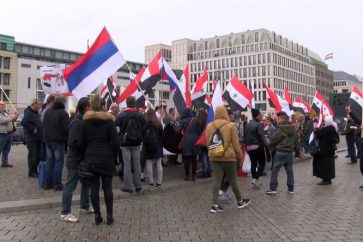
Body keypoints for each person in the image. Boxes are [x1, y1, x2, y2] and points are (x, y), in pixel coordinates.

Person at [79, 95, 120, 225]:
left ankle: (97, 215)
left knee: (94, 188)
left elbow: (81, 142)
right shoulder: (109, 122)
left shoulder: (85, 122)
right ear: (103, 106)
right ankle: (109, 216)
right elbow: (116, 142)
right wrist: (114, 156)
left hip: (91, 158)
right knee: (108, 188)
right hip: (106, 158)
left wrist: (85, 155)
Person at [206, 105, 250, 213]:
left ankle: (214, 205)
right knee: (232, 180)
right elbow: (236, 145)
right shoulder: (231, 125)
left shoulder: (209, 126)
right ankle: (240, 202)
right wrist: (239, 158)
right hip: (229, 158)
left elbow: (208, 143)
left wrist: (213, 152)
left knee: (217, 180)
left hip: (214, 157)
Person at [60, 97, 93, 223]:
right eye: (90, 106)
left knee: (86, 183)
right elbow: (72, 142)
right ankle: (65, 212)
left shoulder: (82, 120)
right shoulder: (77, 122)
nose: (91, 107)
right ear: (86, 107)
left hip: (82, 159)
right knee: (70, 185)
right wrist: (85, 146)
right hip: (75, 160)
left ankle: (84, 207)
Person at [116, 96, 146, 193]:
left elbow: (116, 126)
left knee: (127, 164)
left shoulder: (121, 115)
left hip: (125, 142)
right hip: (137, 142)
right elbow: (144, 126)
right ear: (134, 103)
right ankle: (138, 185)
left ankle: (128, 186)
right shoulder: (139, 115)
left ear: (126, 103)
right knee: (137, 163)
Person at [265, 112, 297, 195]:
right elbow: (296, 140)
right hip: (289, 152)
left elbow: (274, 140)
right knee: (289, 170)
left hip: (280, 151)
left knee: (275, 170)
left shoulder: (281, 128)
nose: (277, 120)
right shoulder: (293, 128)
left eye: (278, 119)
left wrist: (270, 146)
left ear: (283, 119)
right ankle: (291, 189)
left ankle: (273, 188)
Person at [43, 95, 69, 191]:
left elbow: (44, 125)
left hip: (48, 140)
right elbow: (66, 129)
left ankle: (48, 183)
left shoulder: (48, 111)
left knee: (50, 161)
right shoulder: (63, 113)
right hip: (58, 141)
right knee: (58, 162)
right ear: (63, 102)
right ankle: (57, 184)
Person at [176, 108, 202, 181]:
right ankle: (193, 176)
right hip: (195, 141)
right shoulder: (196, 120)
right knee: (194, 159)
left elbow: (177, 130)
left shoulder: (182, 121)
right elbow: (199, 131)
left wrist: (173, 124)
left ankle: (187, 176)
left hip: (186, 141)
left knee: (186, 159)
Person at [244, 108, 268, 188]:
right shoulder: (258, 125)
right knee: (262, 164)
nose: (261, 116)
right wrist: (267, 146)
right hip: (257, 147)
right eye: (259, 115)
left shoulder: (248, 124)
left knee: (253, 164)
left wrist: (246, 146)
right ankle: (255, 179)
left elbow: (245, 136)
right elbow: (262, 137)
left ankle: (254, 180)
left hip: (249, 148)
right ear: (256, 116)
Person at [312, 116, 340, 185]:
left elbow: (318, 134)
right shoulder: (332, 129)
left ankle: (325, 179)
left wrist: (315, 127)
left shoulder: (326, 129)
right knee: (330, 165)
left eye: (324, 121)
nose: (323, 122)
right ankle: (328, 179)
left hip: (324, 150)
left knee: (324, 165)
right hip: (330, 150)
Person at [21, 99, 43, 177]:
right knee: (32, 155)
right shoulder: (28, 112)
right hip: (31, 138)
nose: (40, 106)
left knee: (39, 155)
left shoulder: (36, 113)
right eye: (39, 104)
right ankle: (31, 172)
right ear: (34, 104)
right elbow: (23, 122)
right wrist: (32, 128)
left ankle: (35, 170)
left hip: (38, 137)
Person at [143, 109, 163, 187]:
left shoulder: (145, 123)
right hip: (157, 145)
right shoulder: (158, 122)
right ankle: (159, 182)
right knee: (159, 163)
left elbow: (142, 133)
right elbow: (162, 134)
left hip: (148, 145)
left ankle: (151, 182)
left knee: (149, 163)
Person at [0, 101, 18, 168]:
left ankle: (5, 162)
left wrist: (16, 116)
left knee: (7, 149)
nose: (4, 106)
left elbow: (13, 120)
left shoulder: (6, 112)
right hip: (1, 133)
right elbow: (2, 121)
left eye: (4, 104)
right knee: (0, 148)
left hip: (8, 133)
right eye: (2, 105)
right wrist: (11, 118)